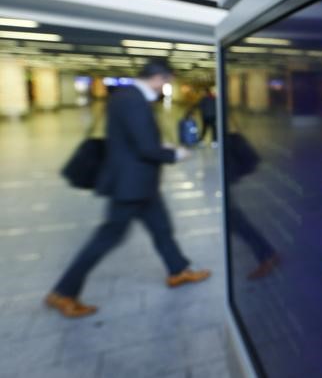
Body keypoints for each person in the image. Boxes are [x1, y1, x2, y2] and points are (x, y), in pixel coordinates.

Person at [46, 60, 211, 318]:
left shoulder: (127, 96)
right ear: (157, 78)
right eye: (166, 82)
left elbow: (137, 138)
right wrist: (175, 154)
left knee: (162, 228)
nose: (166, 87)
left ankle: (178, 270)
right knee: (107, 238)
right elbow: (145, 147)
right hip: (130, 185)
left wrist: (160, 146)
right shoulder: (133, 100)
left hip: (140, 183)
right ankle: (63, 292)